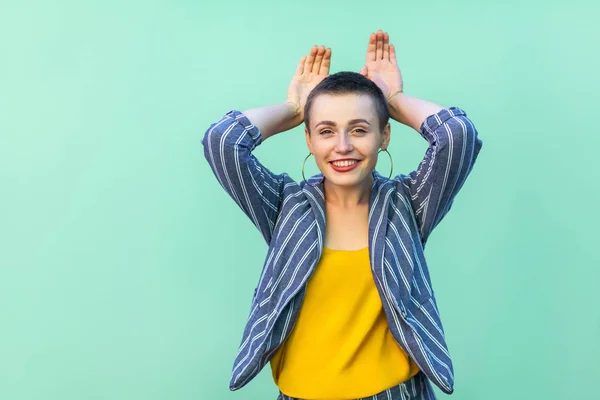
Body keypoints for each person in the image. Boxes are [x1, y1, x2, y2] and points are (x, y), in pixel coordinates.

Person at [202, 29, 483, 400]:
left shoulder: (407, 204)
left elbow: (456, 136)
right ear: (309, 140)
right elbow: (222, 141)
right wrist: (295, 109)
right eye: (326, 131)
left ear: (384, 136)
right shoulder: (286, 207)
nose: (343, 146)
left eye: (360, 129)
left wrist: (393, 101)